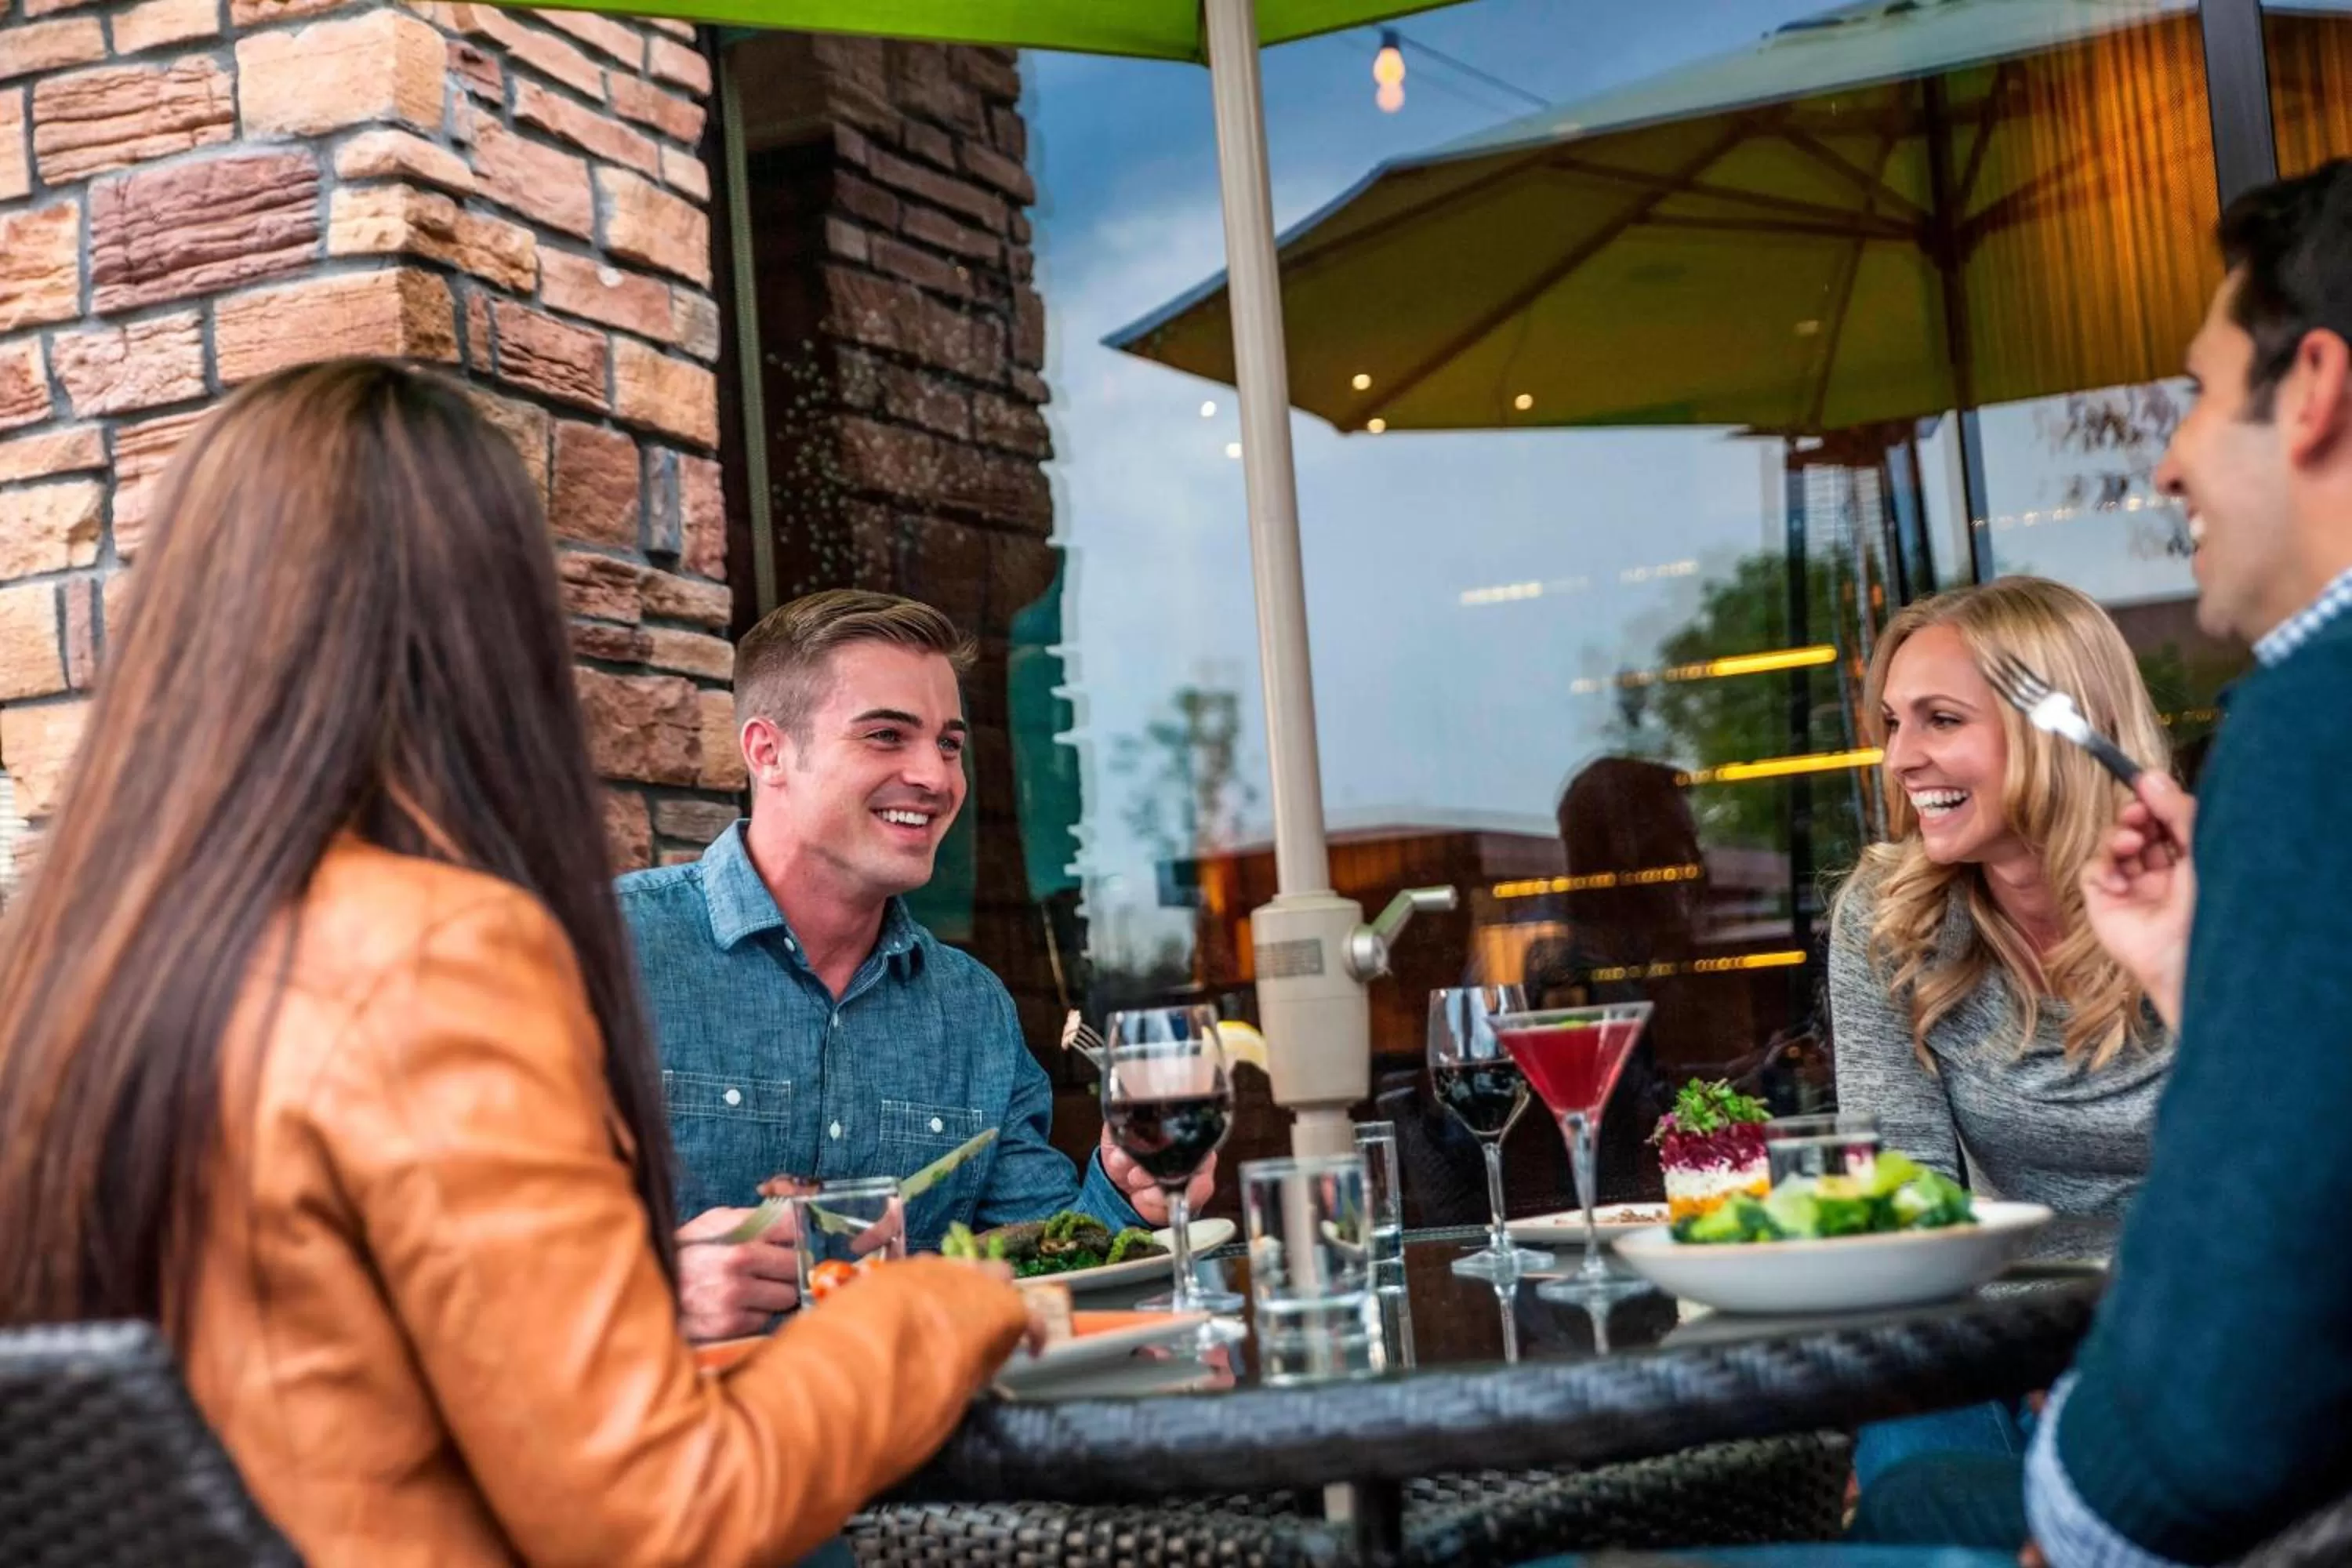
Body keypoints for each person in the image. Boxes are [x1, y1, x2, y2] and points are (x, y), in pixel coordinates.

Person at [0, 361, 1039, 1568]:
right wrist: (943, 1305)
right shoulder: (437, 957)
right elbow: (668, 1517)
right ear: (488, 630)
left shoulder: (66, 961)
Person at [622, 589, 1213, 1341]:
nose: (936, 778)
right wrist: (651, 1289)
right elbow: (457, 1255)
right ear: (768, 752)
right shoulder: (610, 953)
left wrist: (1130, 1199)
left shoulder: (973, 1010)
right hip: (682, 1448)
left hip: (936, 1453)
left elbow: (1037, 1283)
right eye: (886, 736)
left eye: (949, 743)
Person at [1828, 576, 2177, 1494]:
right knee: (1924, 1477)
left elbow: (2284, 1181)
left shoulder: (2213, 888)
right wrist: (2012, 1346)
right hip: (1992, 1343)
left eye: (1941, 719)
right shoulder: (1887, 918)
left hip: (2207, 1327)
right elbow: (1900, 1202)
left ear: (2057, 727)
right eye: (1894, 724)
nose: (1901, 758)